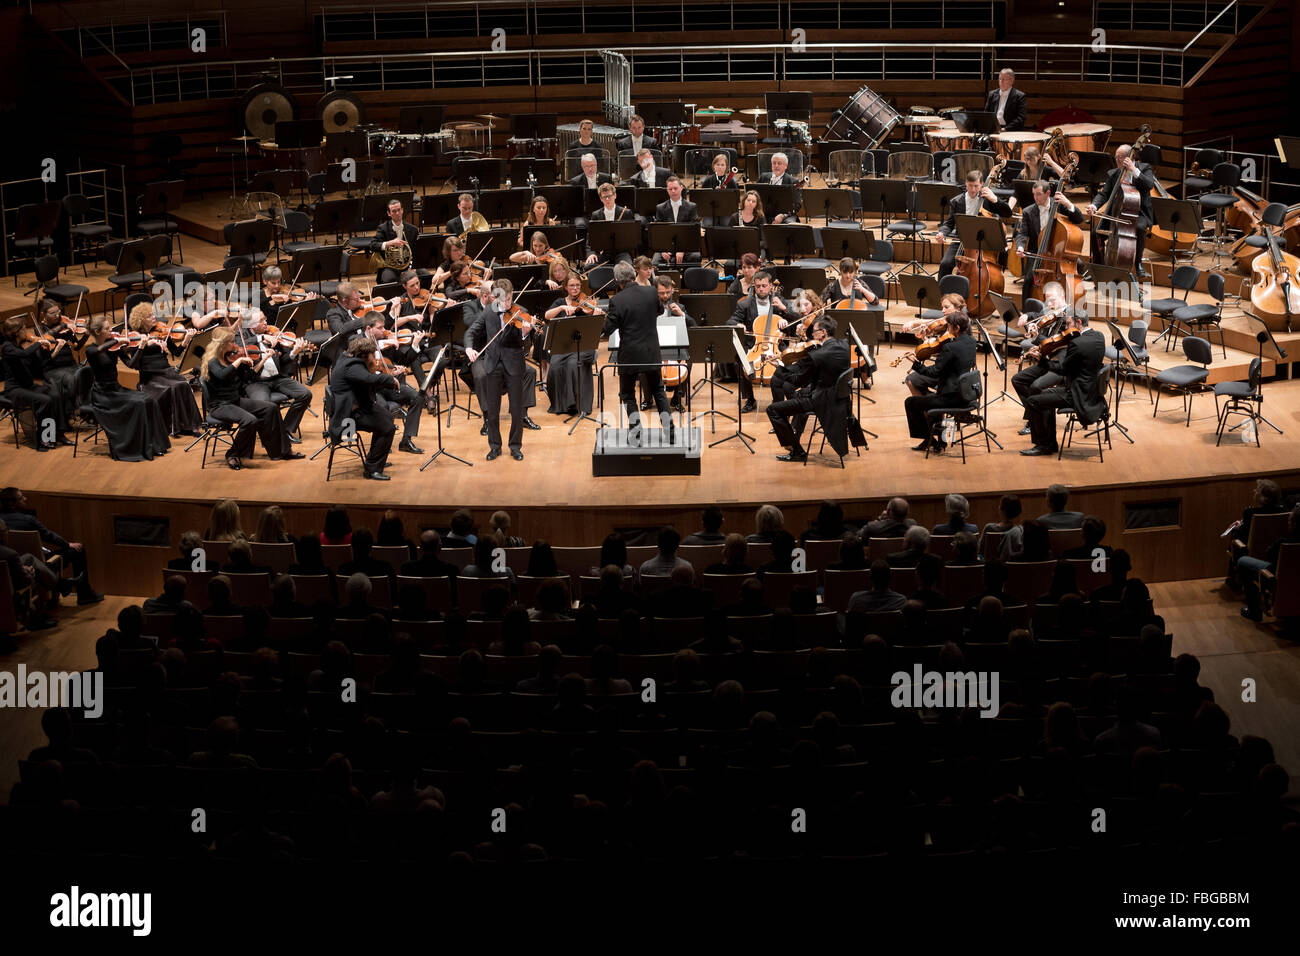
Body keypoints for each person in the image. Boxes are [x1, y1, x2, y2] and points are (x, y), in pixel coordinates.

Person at [201, 338, 302, 470]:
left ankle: (282, 451)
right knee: (250, 420)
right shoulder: (213, 361)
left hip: (235, 401)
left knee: (270, 408)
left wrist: (264, 359)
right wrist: (239, 361)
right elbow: (222, 375)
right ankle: (232, 454)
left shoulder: (232, 359)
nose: (235, 344)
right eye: (231, 342)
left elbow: (250, 377)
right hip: (220, 405)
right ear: (222, 345)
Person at [601, 261, 673, 444]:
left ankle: (636, 432)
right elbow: (658, 310)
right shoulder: (650, 292)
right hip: (651, 351)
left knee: (627, 394)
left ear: (617, 280)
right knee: (658, 390)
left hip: (630, 355)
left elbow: (608, 329)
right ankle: (670, 432)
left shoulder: (616, 300)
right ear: (633, 275)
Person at [82, 316, 171, 461]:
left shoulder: (113, 347)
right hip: (103, 395)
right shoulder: (91, 350)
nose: (111, 330)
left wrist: (141, 347)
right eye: (107, 328)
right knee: (139, 403)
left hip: (117, 389)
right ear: (98, 332)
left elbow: (132, 365)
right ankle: (138, 448)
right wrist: (116, 340)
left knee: (149, 400)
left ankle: (155, 446)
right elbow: (98, 350)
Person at [766, 316, 852, 462]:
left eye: (814, 331)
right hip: (838, 398)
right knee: (800, 396)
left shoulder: (819, 355)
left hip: (822, 400)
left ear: (823, 332)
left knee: (773, 410)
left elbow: (797, 380)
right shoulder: (844, 345)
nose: (812, 334)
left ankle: (796, 451)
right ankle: (795, 433)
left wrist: (779, 368)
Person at [1020, 312, 1107, 456]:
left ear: (1078, 323)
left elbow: (1062, 370)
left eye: (1068, 324)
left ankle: (1043, 445)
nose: (1066, 328)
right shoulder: (1099, 337)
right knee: (1043, 396)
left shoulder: (1077, 343)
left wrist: (1042, 360)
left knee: (1033, 401)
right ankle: (1049, 443)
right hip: (1092, 392)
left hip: (1076, 394)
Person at [465, 279, 533, 461]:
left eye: (509, 299)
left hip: (514, 364)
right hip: (493, 364)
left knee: (517, 410)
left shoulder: (521, 312)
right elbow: (470, 332)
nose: (507, 304)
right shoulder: (488, 311)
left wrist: (525, 333)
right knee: (493, 411)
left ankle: (515, 446)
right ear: (495, 298)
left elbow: (525, 342)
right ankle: (495, 446)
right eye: (503, 300)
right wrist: (469, 348)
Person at [233, 309, 313, 444]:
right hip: (255, 381)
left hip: (277, 378)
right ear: (251, 325)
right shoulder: (241, 336)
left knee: (305, 394)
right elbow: (238, 346)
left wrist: (294, 352)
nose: (266, 323)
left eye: (265, 319)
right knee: (264, 406)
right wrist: (261, 338)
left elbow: (284, 361)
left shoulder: (273, 334)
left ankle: (286, 430)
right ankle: (270, 438)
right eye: (262, 321)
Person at [123, 302, 202, 436]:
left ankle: (189, 425)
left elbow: (176, 352)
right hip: (150, 376)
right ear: (141, 320)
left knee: (183, 384)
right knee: (174, 387)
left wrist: (186, 339)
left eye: (153, 314)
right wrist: (143, 345)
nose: (154, 317)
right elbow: (134, 364)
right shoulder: (135, 338)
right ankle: (174, 427)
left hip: (167, 371)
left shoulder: (162, 330)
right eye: (149, 316)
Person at [904, 310, 977, 453]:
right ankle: (939, 441)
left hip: (951, 397)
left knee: (911, 402)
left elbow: (933, 372)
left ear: (956, 328)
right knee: (931, 399)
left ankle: (929, 439)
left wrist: (915, 363)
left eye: (949, 327)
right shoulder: (971, 341)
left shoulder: (951, 347)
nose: (947, 329)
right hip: (965, 393)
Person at [327, 336, 398, 480]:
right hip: (347, 418)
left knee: (388, 417)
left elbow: (367, 381)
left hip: (357, 407)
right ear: (364, 355)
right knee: (387, 427)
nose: (374, 358)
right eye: (372, 354)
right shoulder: (352, 367)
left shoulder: (346, 359)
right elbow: (369, 379)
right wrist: (391, 379)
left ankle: (375, 459)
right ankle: (372, 469)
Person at [1086, 143, 1157, 279]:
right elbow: (1104, 194)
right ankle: (1098, 267)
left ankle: (1138, 265)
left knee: (1140, 228)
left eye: (1120, 158)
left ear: (1130, 158)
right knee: (1096, 233)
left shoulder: (1144, 168)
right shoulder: (1114, 174)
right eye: (1116, 157)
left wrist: (1133, 169)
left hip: (1138, 213)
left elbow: (1149, 185)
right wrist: (1094, 206)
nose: (1117, 160)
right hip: (1117, 213)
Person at [1, 316, 72, 450]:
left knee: (55, 395)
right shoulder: (7, 347)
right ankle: (45, 437)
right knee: (45, 400)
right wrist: (38, 343)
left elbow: (39, 366)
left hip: (28, 386)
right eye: (23, 329)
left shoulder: (23, 345)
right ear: (16, 331)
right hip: (15, 389)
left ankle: (58, 433)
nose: (26, 331)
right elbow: (23, 355)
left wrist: (53, 350)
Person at [730, 270, 795, 413]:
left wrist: (784, 313)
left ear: (771, 286)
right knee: (740, 359)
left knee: (787, 358)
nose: (761, 289)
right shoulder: (745, 304)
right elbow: (731, 320)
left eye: (764, 286)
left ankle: (777, 399)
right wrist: (738, 325)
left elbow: (795, 317)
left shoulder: (779, 300)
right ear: (753, 285)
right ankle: (750, 399)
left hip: (776, 344)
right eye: (758, 286)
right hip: (754, 344)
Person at [359, 314, 424, 455]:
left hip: (386, 386)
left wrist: (415, 344)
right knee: (383, 407)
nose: (384, 330)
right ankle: (381, 446)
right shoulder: (358, 342)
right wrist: (387, 375)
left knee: (417, 397)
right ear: (369, 329)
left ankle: (406, 440)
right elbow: (363, 373)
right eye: (380, 328)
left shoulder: (385, 341)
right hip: (370, 390)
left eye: (384, 327)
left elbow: (403, 360)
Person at [930, 169, 1013, 279]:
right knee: (945, 264)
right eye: (970, 186)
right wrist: (942, 233)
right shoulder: (956, 201)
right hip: (962, 241)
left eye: (976, 186)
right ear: (965, 183)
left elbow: (1008, 213)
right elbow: (949, 224)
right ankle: (943, 295)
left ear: (982, 184)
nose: (973, 190)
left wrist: (995, 199)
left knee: (1003, 254)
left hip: (984, 242)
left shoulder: (988, 199)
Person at [1015, 181, 1084, 303]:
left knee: (1079, 264)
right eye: (1034, 194)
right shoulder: (1028, 212)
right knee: (1029, 279)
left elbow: (1079, 219)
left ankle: (1075, 300)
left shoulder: (1059, 205)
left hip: (1059, 252)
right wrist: (1020, 247)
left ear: (1048, 193)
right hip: (1038, 252)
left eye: (1039, 194)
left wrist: (1068, 203)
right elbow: (1023, 233)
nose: (1035, 198)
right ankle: (1026, 310)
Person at [543, 271, 599, 417]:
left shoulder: (586, 303)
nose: (575, 289)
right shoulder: (560, 302)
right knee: (554, 366)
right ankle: (561, 405)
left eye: (578, 285)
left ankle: (577, 404)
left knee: (573, 364)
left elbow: (596, 328)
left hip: (583, 346)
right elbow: (547, 315)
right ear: (566, 287)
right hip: (564, 346)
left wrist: (596, 316)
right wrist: (562, 309)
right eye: (572, 285)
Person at [1238, 505, 1300, 621]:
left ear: (1294, 524)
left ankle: (1254, 612)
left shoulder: (1283, 543)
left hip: (1276, 577)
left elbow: (1269, 555)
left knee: (1243, 561)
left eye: (1289, 520)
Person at [582, 183, 634, 268]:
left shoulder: (626, 213)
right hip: (603, 253)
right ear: (601, 199)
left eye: (609, 196)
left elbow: (631, 236)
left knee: (626, 268)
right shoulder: (595, 215)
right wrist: (591, 254)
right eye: (604, 197)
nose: (607, 199)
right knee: (589, 267)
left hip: (621, 252)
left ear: (615, 195)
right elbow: (590, 238)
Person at [652, 175, 700, 267]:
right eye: (670, 189)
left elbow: (693, 231)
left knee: (695, 257)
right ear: (667, 190)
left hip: (686, 246)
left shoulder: (691, 207)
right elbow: (658, 232)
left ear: (681, 188)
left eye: (675, 188)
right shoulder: (660, 208)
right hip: (666, 246)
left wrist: (682, 250)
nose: (673, 191)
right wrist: (662, 250)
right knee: (655, 262)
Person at [370, 198, 420, 284]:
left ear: (402, 210)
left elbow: (417, 251)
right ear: (389, 213)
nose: (397, 213)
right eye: (394, 211)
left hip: (408, 265)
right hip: (390, 267)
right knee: (388, 279)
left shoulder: (413, 229)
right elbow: (373, 245)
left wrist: (413, 266)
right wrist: (390, 243)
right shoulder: (383, 228)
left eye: (399, 210)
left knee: (425, 274)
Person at [758, 152, 800, 223]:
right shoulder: (763, 177)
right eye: (774, 163)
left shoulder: (793, 181)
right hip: (765, 214)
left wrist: (783, 215)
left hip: (785, 215)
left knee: (789, 223)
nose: (776, 166)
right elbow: (756, 196)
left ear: (785, 166)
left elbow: (797, 205)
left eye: (779, 163)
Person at [981, 494, 1025, 560]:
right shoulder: (1022, 531)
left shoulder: (989, 528)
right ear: (1019, 512)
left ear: (1001, 510)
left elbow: (980, 551)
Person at [985, 67, 1027, 132]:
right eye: (1000, 79)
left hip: (1010, 130)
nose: (1001, 82)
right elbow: (987, 114)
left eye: (1004, 79)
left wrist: (1005, 129)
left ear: (1011, 80)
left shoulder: (1020, 96)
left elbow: (1021, 118)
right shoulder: (992, 94)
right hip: (994, 128)